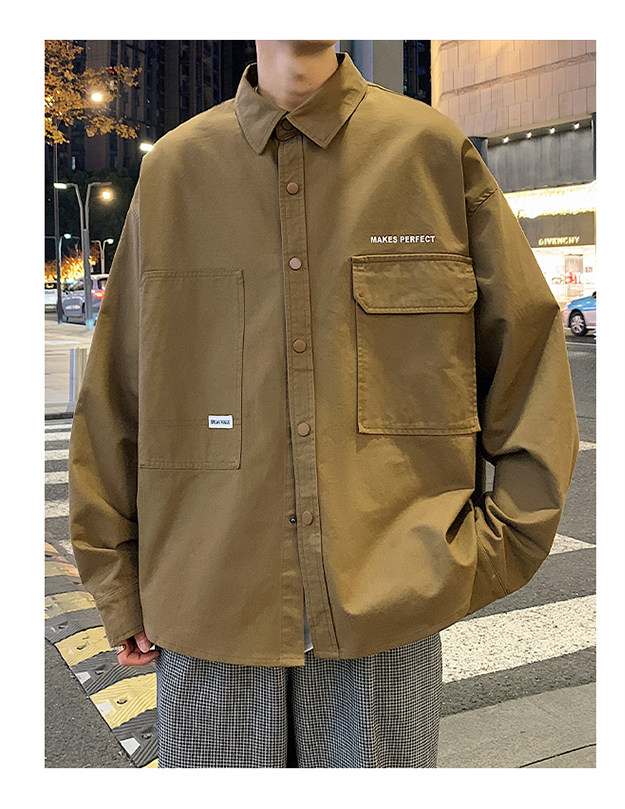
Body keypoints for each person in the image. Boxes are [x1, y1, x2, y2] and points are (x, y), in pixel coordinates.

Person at [69, 39, 579, 768]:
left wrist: (494, 549)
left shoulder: (429, 152)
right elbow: (117, 396)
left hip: (389, 611)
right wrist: (118, 582)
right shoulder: (177, 169)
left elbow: (526, 357)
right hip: (208, 611)